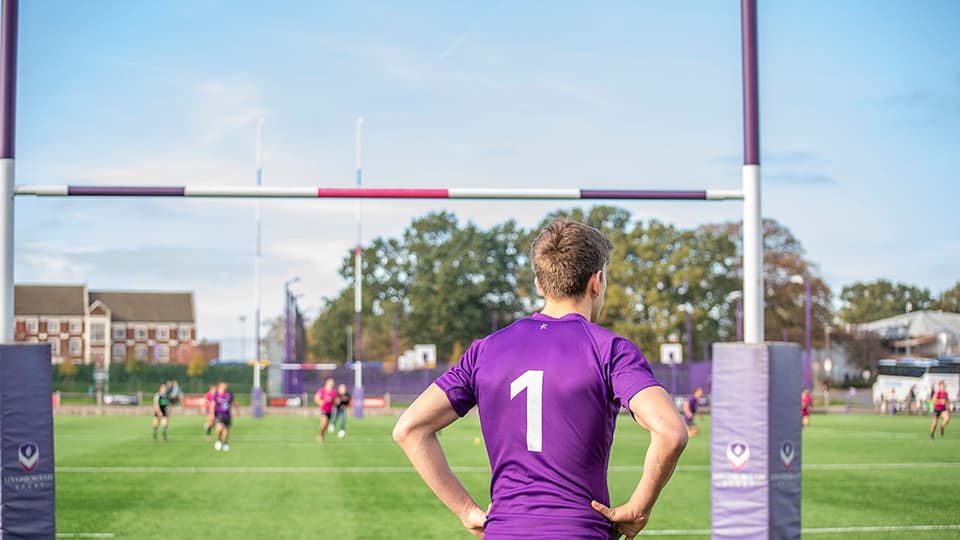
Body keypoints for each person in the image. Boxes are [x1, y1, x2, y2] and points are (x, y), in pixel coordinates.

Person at [393, 219, 687, 539]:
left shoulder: (485, 351)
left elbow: (409, 429)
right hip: (579, 532)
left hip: (504, 531)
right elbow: (670, 431)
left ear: (539, 284)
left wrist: (467, 511)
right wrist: (639, 507)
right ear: (597, 282)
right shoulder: (610, 349)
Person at [314, 377, 338, 444]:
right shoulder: (322, 390)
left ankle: (322, 434)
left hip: (330, 411)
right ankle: (320, 435)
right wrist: (320, 402)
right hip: (323, 410)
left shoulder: (334, 392)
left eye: (333, 382)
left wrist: (336, 402)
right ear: (327, 382)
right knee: (323, 424)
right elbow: (316, 398)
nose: (332, 383)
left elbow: (336, 401)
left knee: (326, 426)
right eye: (331, 382)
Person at [213, 381, 234, 452]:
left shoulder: (229, 394)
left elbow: (232, 403)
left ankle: (225, 443)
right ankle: (218, 440)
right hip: (219, 414)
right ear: (220, 385)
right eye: (224, 384)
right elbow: (213, 404)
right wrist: (212, 414)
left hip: (227, 415)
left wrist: (237, 410)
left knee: (226, 430)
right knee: (219, 428)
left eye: (226, 384)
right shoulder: (216, 394)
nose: (225, 385)